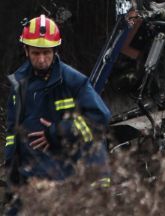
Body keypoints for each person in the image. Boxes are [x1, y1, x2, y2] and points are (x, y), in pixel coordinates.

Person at [4, 15, 111, 188]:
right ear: (26, 51)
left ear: (55, 51)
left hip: (71, 176)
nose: (41, 59)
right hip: (32, 178)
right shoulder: (19, 84)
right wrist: (10, 166)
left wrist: (57, 132)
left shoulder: (72, 81)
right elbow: (11, 131)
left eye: (46, 52)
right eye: (35, 53)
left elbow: (100, 117)